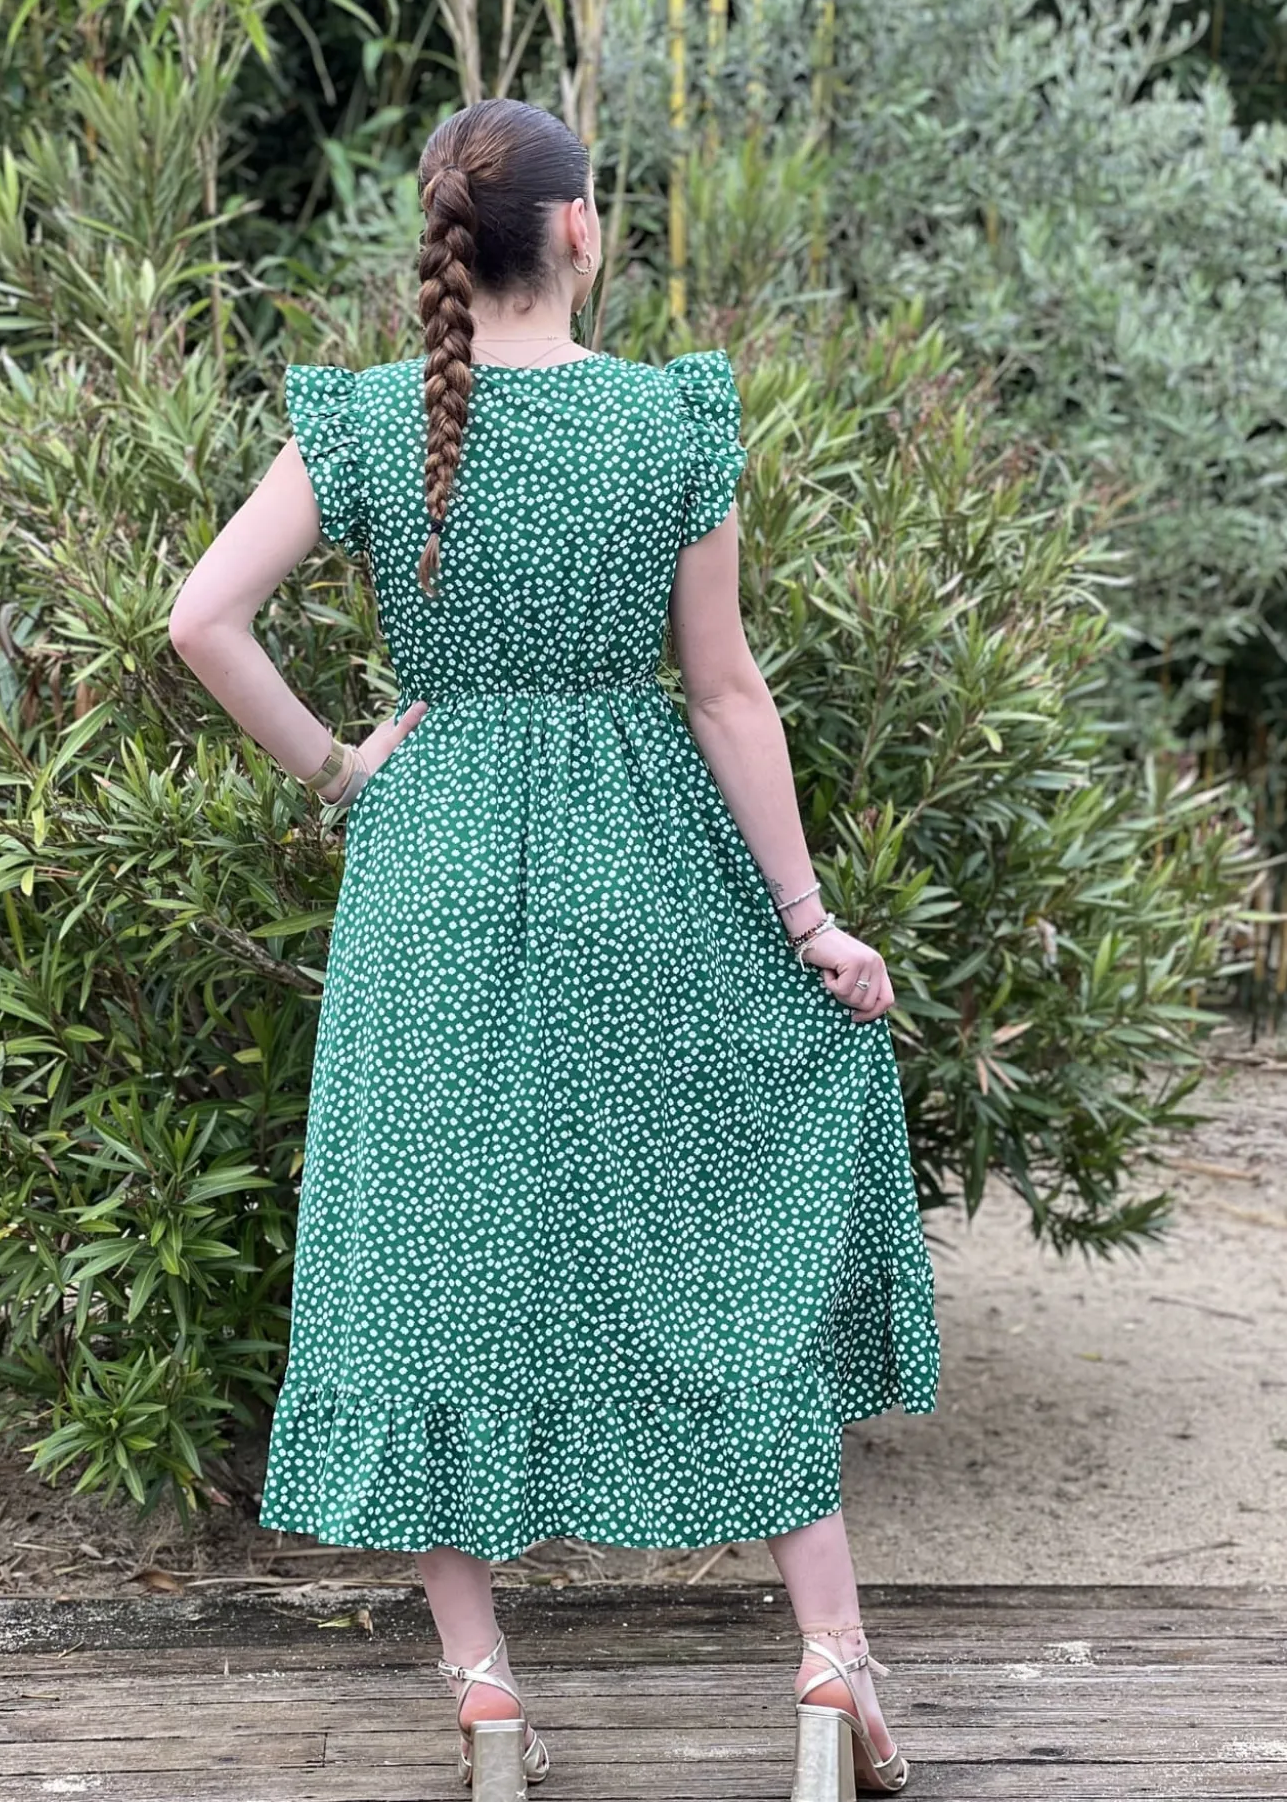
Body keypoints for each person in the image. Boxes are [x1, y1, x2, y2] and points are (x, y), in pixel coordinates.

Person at [168, 96, 940, 1802]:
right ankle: (831, 1660)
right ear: (580, 230)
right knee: (715, 1235)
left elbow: (202, 617)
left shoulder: (373, 420)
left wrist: (342, 767)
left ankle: (488, 1699)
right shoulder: (669, 418)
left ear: (449, 243)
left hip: (430, 874)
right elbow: (726, 691)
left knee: (428, 1260)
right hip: (639, 865)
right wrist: (811, 923)